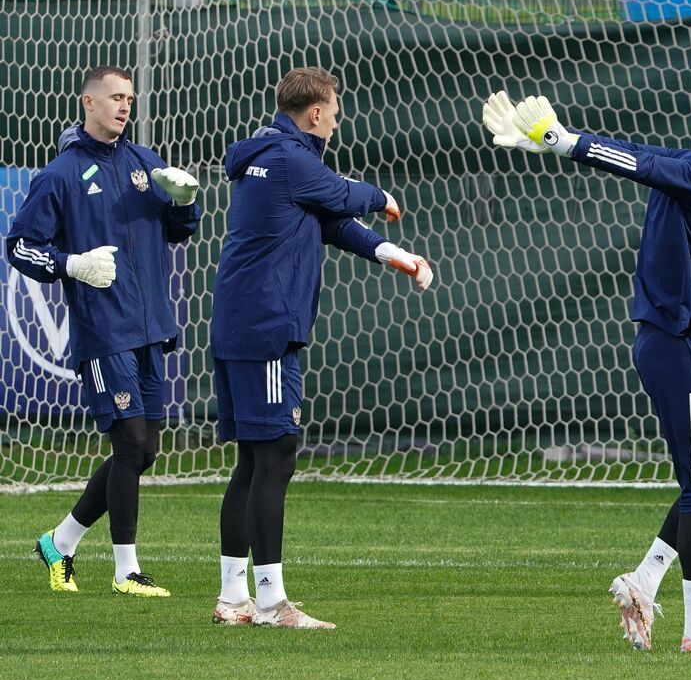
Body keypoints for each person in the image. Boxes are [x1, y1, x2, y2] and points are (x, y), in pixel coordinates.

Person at [482, 89, 691, 653]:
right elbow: (642, 163)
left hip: (688, 344)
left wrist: (571, 142)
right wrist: (566, 143)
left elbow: (646, 157)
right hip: (679, 344)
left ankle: (643, 582)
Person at [211, 67, 434, 629]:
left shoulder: (271, 155)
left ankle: (234, 598)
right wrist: (382, 196)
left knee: (254, 461)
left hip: (243, 324)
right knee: (277, 455)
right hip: (265, 329)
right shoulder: (291, 160)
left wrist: (391, 254)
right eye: (334, 109)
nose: (337, 118)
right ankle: (269, 604)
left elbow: (331, 220)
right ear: (314, 113)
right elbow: (342, 196)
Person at [6, 65, 202, 597]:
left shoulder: (145, 163)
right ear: (88, 102)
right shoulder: (60, 175)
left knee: (144, 452)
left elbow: (180, 229)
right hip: (103, 328)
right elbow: (20, 246)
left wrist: (185, 202)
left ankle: (60, 541)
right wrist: (70, 264)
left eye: (130, 99)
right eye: (115, 97)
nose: (124, 106)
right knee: (130, 440)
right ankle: (125, 571)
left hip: (151, 326)